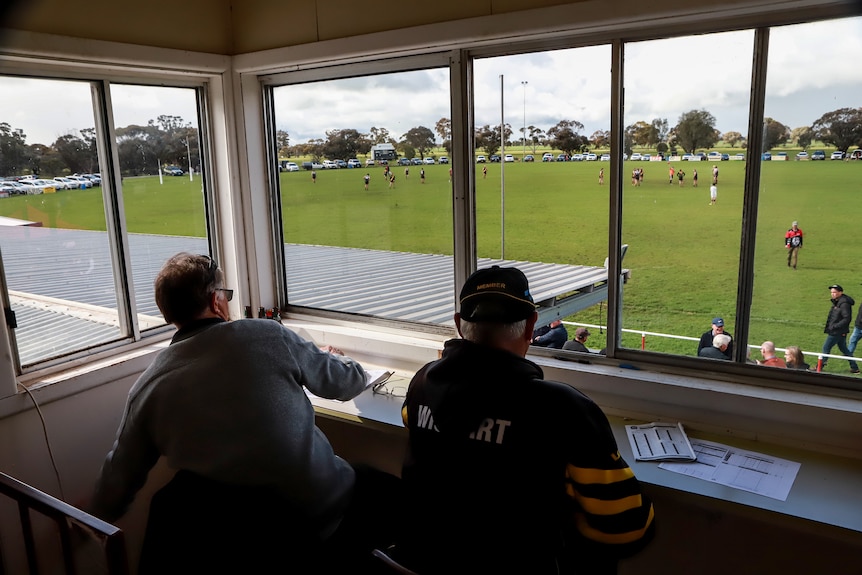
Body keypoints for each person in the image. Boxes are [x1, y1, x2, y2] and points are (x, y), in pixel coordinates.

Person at [89, 253, 395, 573]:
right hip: (316, 516)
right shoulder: (266, 334)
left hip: (234, 543)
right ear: (216, 300)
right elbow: (345, 384)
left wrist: (89, 516)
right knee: (390, 490)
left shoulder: (147, 387)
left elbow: (116, 482)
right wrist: (337, 361)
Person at [397, 265, 655, 574]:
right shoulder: (563, 409)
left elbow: (419, 423)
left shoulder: (422, 382)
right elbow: (625, 528)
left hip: (422, 559)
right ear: (532, 326)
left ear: (458, 325)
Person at [821, 284, 860, 373]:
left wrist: (835, 326)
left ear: (840, 292)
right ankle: (855, 368)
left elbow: (847, 318)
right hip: (840, 331)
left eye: (835, 292)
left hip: (837, 331)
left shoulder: (844, 304)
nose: (833, 294)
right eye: (832, 292)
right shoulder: (839, 301)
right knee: (844, 349)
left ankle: (820, 366)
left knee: (826, 348)